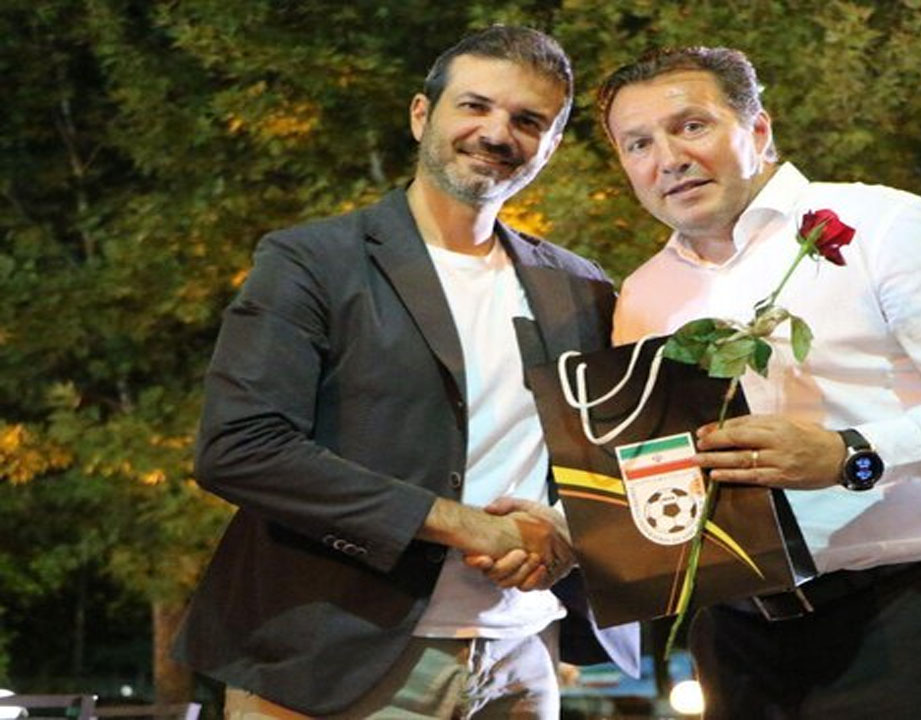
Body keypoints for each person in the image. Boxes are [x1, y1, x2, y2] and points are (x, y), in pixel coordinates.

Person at [173, 26, 638, 719]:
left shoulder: (582, 287)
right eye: (474, 106)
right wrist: (463, 525)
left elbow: (620, 457)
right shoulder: (312, 262)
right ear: (422, 115)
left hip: (524, 657)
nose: (496, 133)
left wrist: (567, 529)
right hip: (334, 655)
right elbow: (241, 449)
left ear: (550, 146)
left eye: (527, 120)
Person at [600, 47, 921, 719]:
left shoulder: (885, 225)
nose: (667, 158)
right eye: (638, 143)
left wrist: (852, 454)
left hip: (911, 618)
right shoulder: (643, 293)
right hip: (735, 639)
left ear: (759, 130)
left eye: (691, 126)